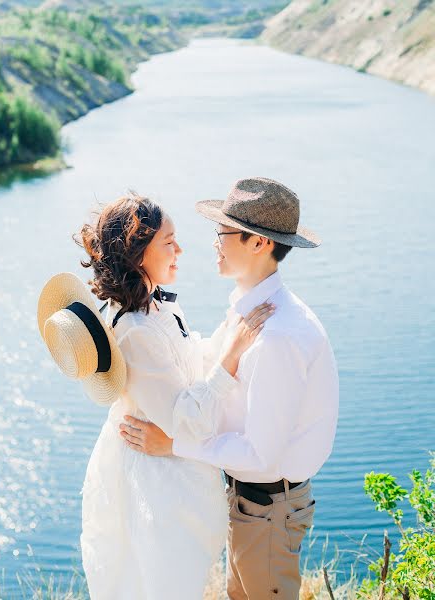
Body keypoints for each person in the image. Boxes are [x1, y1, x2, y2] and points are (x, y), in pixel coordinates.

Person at [120, 177, 339, 600]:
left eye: (222, 233)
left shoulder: (275, 335)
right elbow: (207, 365)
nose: (214, 243)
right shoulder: (250, 310)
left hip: (268, 509)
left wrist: (173, 444)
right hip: (253, 506)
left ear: (258, 243)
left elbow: (260, 455)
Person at [74, 192, 273, 600]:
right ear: (138, 254)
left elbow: (187, 360)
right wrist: (233, 355)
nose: (180, 249)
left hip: (167, 472)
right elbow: (185, 421)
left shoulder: (156, 309)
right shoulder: (136, 330)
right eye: (169, 242)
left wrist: (231, 328)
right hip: (154, 485)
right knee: (159, 582)